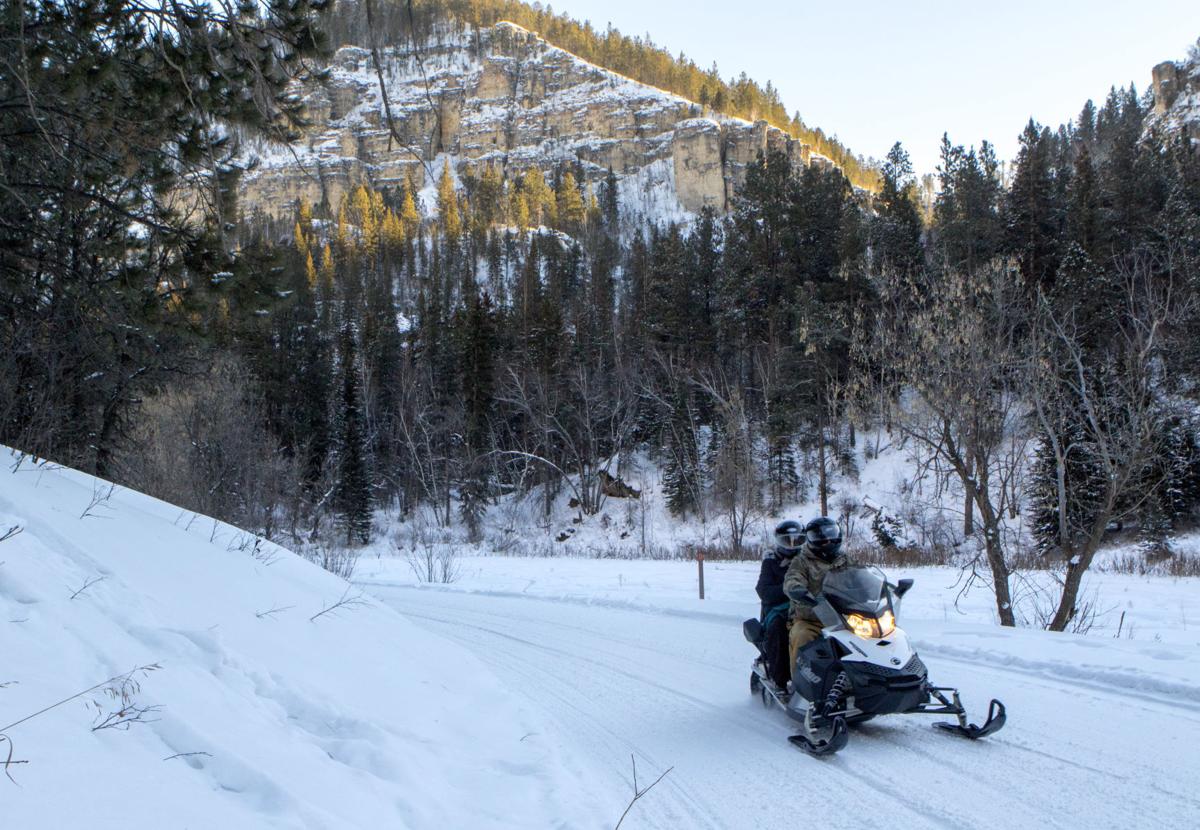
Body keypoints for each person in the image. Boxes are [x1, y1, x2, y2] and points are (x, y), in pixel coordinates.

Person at [783, 517, 854, 673]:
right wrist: (797, 589)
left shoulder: (844, 560)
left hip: (845, 618)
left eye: (831, 535)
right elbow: (792, 579)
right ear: (810, 539)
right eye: (819, 537)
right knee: (802, 636)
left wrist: (881, 591)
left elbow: (860, 578)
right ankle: (799, 684)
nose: (827, 541)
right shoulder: (802, 561)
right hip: (811, 618)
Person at [756, 520, 805, 689]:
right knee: (779, 629)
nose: (792, 545)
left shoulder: (806, 560)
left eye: (796, 541)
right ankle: (781, 681)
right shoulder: (771, 562)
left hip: (806, 607)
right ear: (778, 541)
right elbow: (763, 590)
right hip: (779, 609)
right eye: (787, 541)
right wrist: (789, 589)